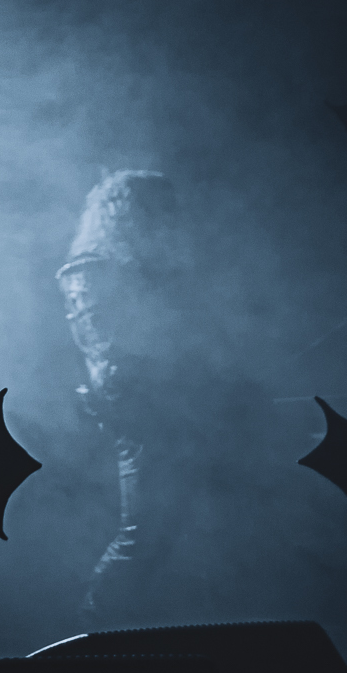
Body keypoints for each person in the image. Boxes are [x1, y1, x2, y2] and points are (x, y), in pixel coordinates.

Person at [57, 169, 254, 626]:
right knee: (141, 538)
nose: (175, 221)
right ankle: (91, 635)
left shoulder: (122, 268)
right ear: (135, 214)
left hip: (167, 408)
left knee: (184, 535)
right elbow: (117, 355)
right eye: (163, 212)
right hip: (147, 414)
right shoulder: (95, 271)